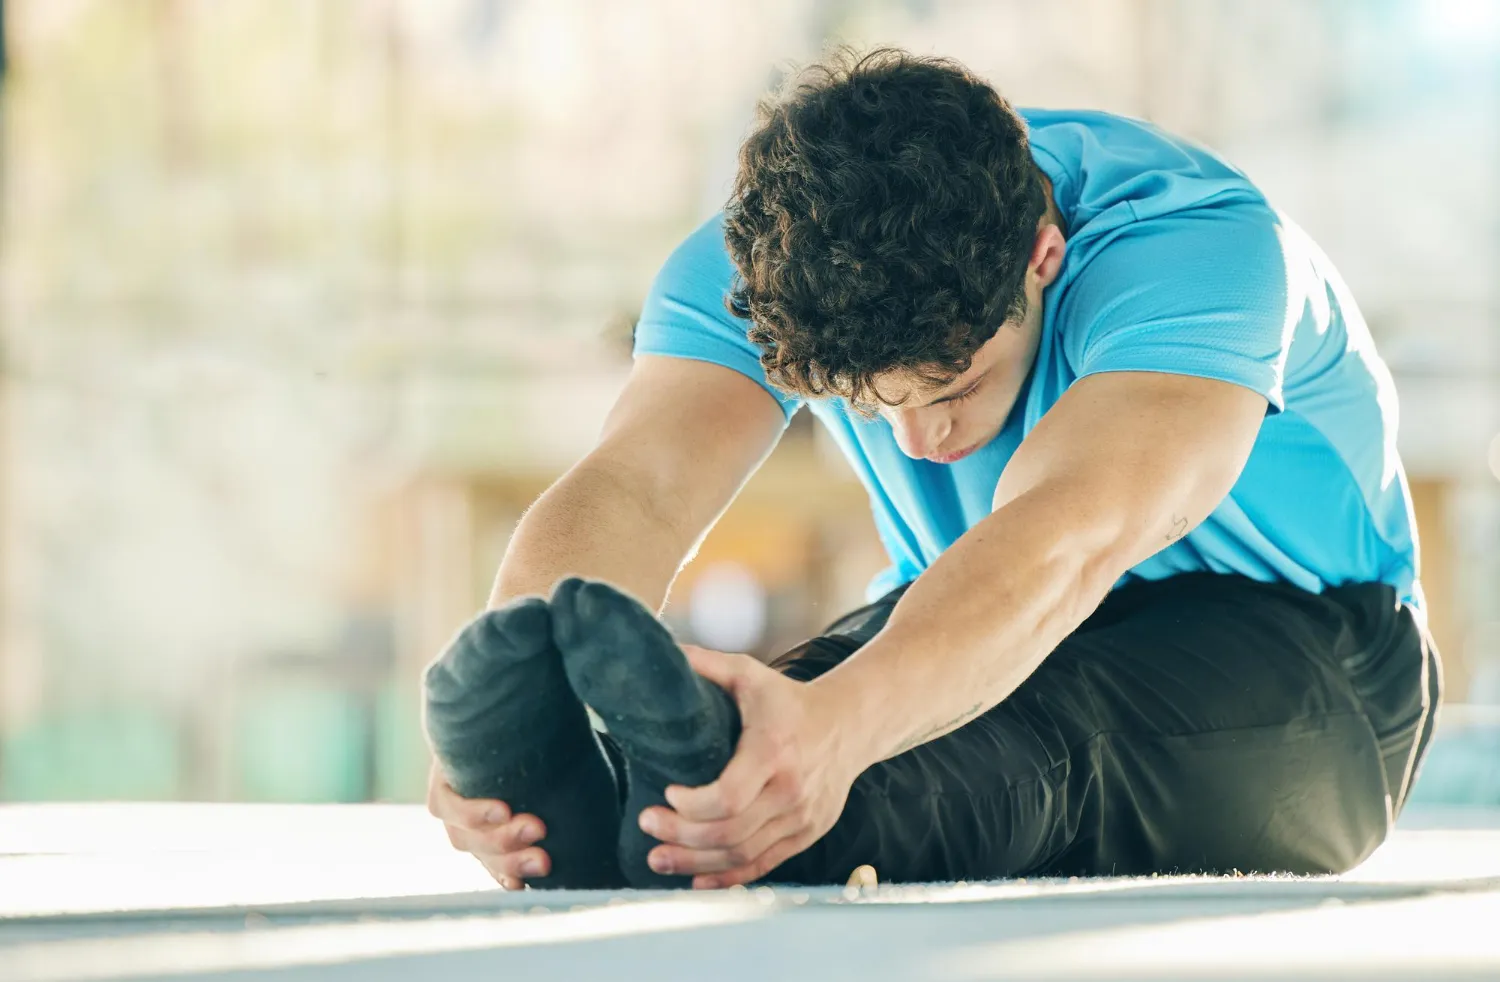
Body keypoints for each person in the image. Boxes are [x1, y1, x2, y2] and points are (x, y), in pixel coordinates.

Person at [427, 47, 1441, 891]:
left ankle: (737, 837)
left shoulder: (1199, 249)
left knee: (1022, 723)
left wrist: (840, 732)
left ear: (1044, 254)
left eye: (952, 387)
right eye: (872, 408)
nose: (919, 442)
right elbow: (637, 484)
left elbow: (1066, 540)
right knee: (800, 699)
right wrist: (521, 665)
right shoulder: (778, 254)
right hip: (979, 608)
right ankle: (618, 812)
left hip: (1317, 665)